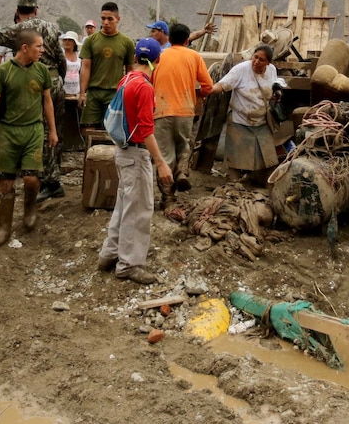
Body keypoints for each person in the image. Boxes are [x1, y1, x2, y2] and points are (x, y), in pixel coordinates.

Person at [97, 38, 173, 284]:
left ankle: (109, 254)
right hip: (135, 152)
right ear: (157, 60)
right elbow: (146, 130)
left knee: (124, 204)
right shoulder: (144, 87)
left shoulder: (126, 79)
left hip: (122, 151)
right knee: (139, 210)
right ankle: (129, 264)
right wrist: (160, 162)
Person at [0, 28, 58, 247]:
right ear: (25, 48)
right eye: (39, 46)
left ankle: (29, 209)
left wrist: (52, 130)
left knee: (31, 179)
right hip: (7, 131)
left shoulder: (43, 71)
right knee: (5, 183)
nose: (42, 50)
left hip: (33, 130)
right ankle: (4, 227)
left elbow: (47, 101)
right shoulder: (2, 72)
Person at [152, 23, 213, 207]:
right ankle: (181, 172)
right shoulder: (194, 56)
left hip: (161, 111)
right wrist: (199, 94)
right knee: (183, 145)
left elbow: (148, 81)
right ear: (187, 40)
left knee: (164, 156)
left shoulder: (159, 56)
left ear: (169, 39)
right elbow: (208, 86)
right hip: (185, 112)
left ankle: (168, 198)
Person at [210, 44, 279, 183]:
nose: (256, 62)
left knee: (267, 157)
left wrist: (277, 94)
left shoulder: (271, 70)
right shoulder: (241, 70)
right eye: (255, 57)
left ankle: (256, 180)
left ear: (268, 62)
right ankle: (234, 184)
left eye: (261, 60)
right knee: (236, 157)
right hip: (240, 120)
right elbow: (222, 85)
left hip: (262, 121)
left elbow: (274, 86)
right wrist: (208, 90)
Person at [78, 2, 135, 128]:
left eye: (110, 19)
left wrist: (128, 95)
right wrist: (82, 93)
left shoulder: (127, 42)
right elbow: (85, 68)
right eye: (103, 18)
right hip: (93, 92)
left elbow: (130, 71)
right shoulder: (91, 41)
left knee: (112, 131)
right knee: (89, 130)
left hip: (114, 93)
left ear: (118, 19)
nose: (106, 22)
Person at [60, 31, 81, 96]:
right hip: (63, 91)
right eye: (65, 40)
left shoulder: (79, 56)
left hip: (76, 91)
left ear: (74, 43)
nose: (67, 42)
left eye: (70, 40)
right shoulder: (60, 56)